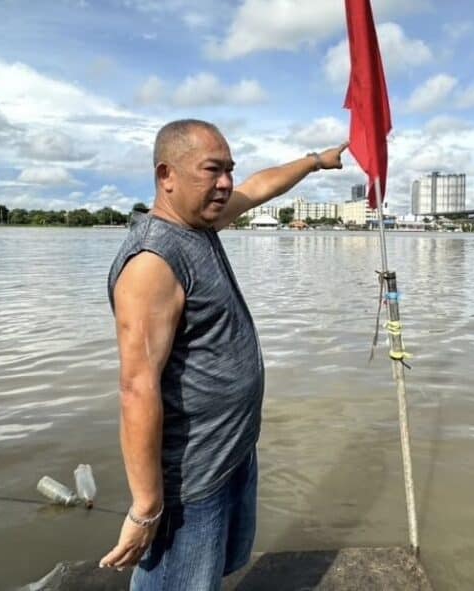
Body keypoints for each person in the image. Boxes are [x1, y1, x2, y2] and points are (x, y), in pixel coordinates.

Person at [99, 119, 348, 590]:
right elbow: (136, 387)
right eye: (213, 170)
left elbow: (258, 189)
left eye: (229, 170)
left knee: (208, 579)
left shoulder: (201, 224)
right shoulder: (153, 262)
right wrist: (146, 507)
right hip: (190, 483)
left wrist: (316, 162)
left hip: (230, 453)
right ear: (166, 175)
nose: (227, 182)